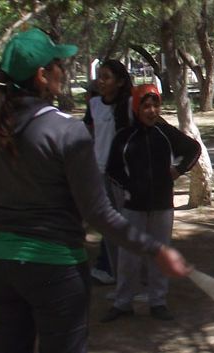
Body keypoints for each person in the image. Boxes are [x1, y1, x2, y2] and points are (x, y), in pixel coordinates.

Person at [0, 28, 190, 353]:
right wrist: (154, 248)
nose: (63, 71)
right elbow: (98, 212)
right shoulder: (66, 131)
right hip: (55, 270)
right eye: (58, 65)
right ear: (42, 76)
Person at [104, 84, 200, 322]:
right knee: (129, 257)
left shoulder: (165, 133)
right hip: (133, 207)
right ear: (136, 108)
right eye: (146, 106)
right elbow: (112, 169)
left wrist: (178, 169)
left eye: (155, 105)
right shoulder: (125, 137)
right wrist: (129, 186)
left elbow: (193, 149)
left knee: (160, 254)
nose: (151, 111)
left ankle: (158, 302)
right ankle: (123, 303)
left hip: (162, 206)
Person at [83, 59, 133, 286]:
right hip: (99, 171)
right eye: (99, 77)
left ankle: (116, 269)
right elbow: (87, 132)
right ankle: (109, 267)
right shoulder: (94, 104)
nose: (100, 82)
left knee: (122, 220)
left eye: (106, 77)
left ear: (120, 82)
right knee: (108, 221)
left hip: (124, 174)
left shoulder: (130, 104)